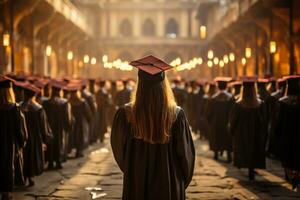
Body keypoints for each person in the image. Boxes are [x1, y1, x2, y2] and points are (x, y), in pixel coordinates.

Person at [111, 55, 195, 200]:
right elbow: (185, 155)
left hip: (137, 180)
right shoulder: (176, 115)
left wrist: (132, 168)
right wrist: (180, 181)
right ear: (164, 84)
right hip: (169, 182)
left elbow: (118, 149)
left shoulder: (126, 114)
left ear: (140, 83)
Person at [228, 77, 267, 180]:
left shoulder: (238, 104)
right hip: (256, 133)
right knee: (254, 150)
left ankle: (248, 167)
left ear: (243, 89)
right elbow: (264, 120)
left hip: (242, 134)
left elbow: (233, 120)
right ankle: (252, 168)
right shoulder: (260, 104)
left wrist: (231, 130)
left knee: (245, 150)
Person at [19, 82, 52, 186]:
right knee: (31, 157)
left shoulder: (18, 106)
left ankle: (23, 176)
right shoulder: (38, 108)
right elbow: (43, 126)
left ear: (24, 94)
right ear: (34, 95)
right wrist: (45, 139)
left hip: (21, 136)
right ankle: (29, 177)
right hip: (34, 138)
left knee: (23, 156)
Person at [0, 76, 27, 200]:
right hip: (9, 145)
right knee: (7, 168)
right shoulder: (14, 109)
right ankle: (6, 193)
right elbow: (18, 130)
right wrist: (21, 143)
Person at [275, 76, 300, 190]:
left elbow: (278, 121)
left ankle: (290, 175)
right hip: (297, 134)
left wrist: (276, 134)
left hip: (286, 134)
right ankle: (297, 175)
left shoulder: (282, 102)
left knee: (287, 158)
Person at [42, 80, 72, 169]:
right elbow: (67, 117)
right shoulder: (64, 102)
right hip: (60, 126)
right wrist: (68, 127)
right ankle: (58, 161)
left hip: (49, 126)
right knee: (59, 143)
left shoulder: (46, 102)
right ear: (60, 91)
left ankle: (50, 162)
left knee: (50, 143)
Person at [207, 77, 235, 162]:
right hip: (227, 122)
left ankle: (216, 153)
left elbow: (209, 113)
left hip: (216, 122)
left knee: (217, 137)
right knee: (227, 139)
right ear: (226, 86)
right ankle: (229, 156)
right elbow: (233, 112)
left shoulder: (213, 98)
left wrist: (210, 122)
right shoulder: (231, 98)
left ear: (218, 87)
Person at [66, 84, 92, 158]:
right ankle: (79, 151)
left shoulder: (68, 102)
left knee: (73, 136)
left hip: (72, 122)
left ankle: (73, 150)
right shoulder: (82, 102)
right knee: (80, 136)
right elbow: (87, 112)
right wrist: (88, 119)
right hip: (80, 122)